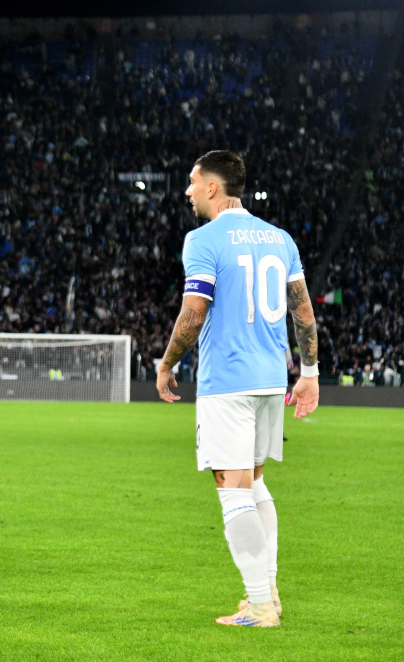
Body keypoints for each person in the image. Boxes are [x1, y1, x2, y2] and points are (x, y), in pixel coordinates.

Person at [157, 150, 320, 628]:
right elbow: (303, 312)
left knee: (232, 491)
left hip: (227, 381)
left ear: (212, 186)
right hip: (271, 379)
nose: (187, 191)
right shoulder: (280, 238)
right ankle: (266, 590)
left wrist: (167, 363)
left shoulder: (202, 239)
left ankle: (261, 606)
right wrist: (309, 372)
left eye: (192, 182)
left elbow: (193, 313)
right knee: (256, 484)